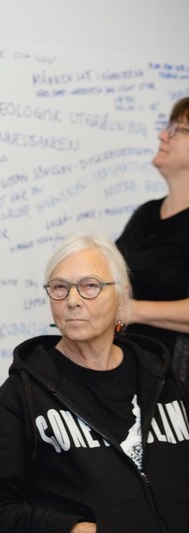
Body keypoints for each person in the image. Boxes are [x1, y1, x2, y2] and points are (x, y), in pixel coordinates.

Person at [0, 233, 189, 533]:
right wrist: (71, 529)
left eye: (90, 286)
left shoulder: (161, 379)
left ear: (122, 296)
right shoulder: (20, 395)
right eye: (60, 287)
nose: (72, 301)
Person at [116, 96, 189, 388]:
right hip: (132, 376)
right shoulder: (146, 213)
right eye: (167, 127)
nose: (162, 135)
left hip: (177, 387)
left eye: (179, 130)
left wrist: (133, 310)